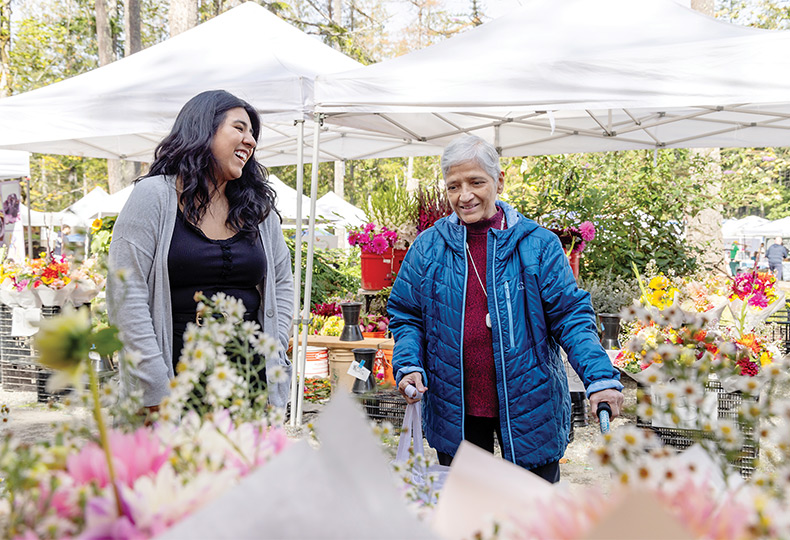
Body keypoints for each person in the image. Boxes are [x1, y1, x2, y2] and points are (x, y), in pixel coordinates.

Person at [388, 135, 623, 483]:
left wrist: (600, 377)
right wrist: (408, 363)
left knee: (533, 516)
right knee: (466, 517)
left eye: (476, 182)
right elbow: (407, 315)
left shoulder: (537, 245)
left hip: (531, 405)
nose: (464, 196)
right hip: (456, 409)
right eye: (454, 186)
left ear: (499, 181)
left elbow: (571, 317)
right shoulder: (428, 248)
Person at [106, 90, 294, 415]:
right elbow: (126, 293)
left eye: (252, 133)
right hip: (173, 368)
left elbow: (282, 284)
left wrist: (271, 353)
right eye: (239, 128)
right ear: (203, 129)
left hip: (248, 372)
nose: (250, 140)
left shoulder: (257, 208)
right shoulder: (153, 197)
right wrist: (154, 387)